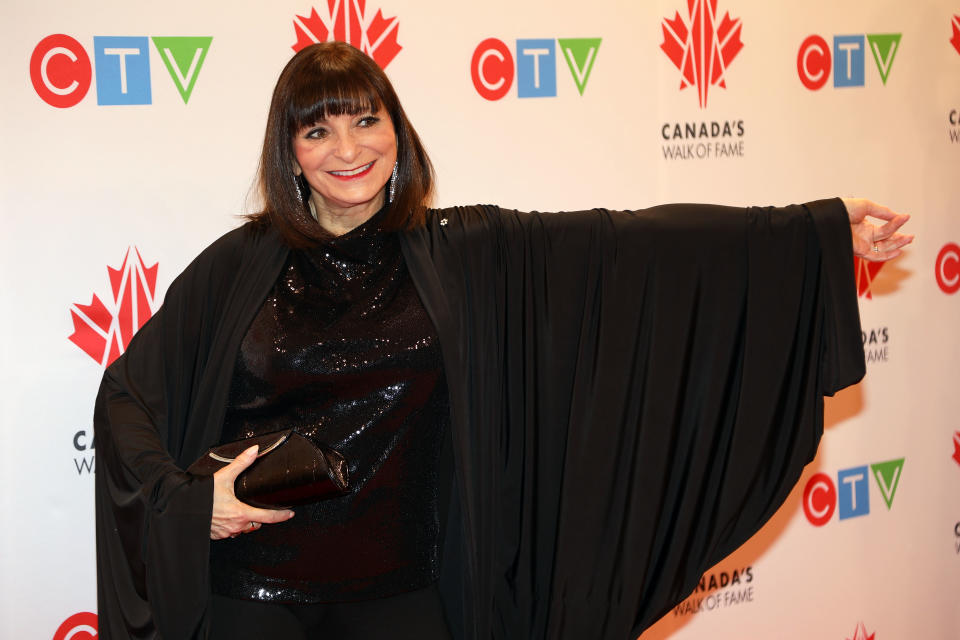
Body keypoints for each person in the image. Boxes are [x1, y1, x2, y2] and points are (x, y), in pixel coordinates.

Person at [94, 41, 912, 640]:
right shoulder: (240, 266)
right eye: (318, 133)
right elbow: (130, 394)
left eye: (365, 121)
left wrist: (817, 229)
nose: (348, 150)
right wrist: (189, 503)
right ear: (291, 155)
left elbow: (631, 246)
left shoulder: (470, 252)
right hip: (255, 598)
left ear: (397, 130)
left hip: (407, 592)